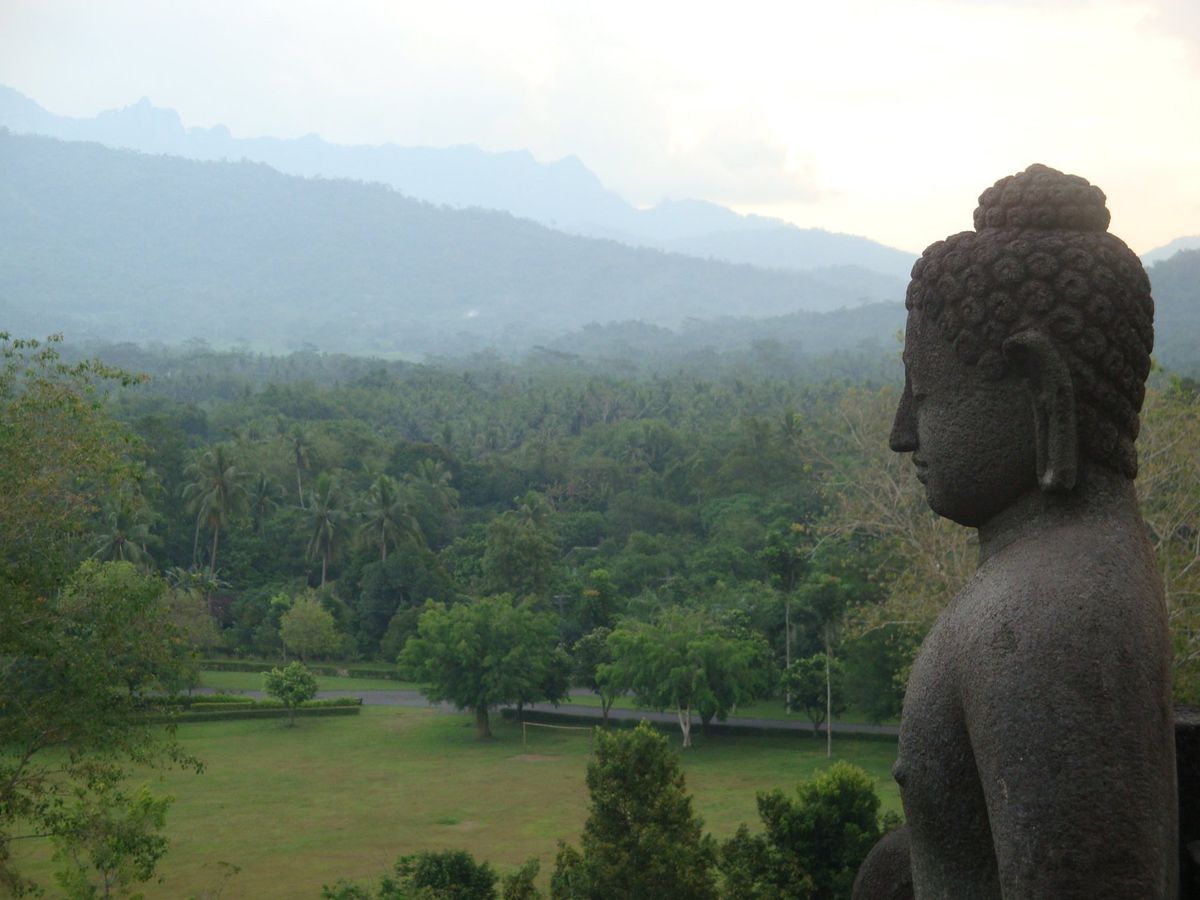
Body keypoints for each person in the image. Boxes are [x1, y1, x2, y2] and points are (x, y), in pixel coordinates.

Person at [853, 165, 1177, 898]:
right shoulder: (1083, 571)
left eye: (927, 394)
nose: (903, 434)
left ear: (1040, 391)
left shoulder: (1046, 618)